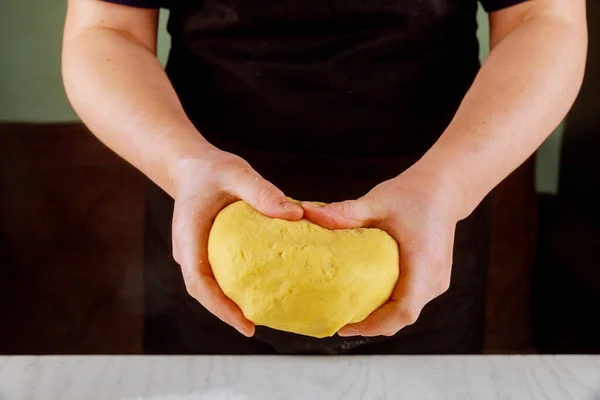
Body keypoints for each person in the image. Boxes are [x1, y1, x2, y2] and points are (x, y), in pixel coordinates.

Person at [62, 0, 587, 355]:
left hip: (429, 221)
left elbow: (544, 19)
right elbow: (104, 32)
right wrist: (184, 165)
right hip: (206, 216)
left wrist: (448, 187)